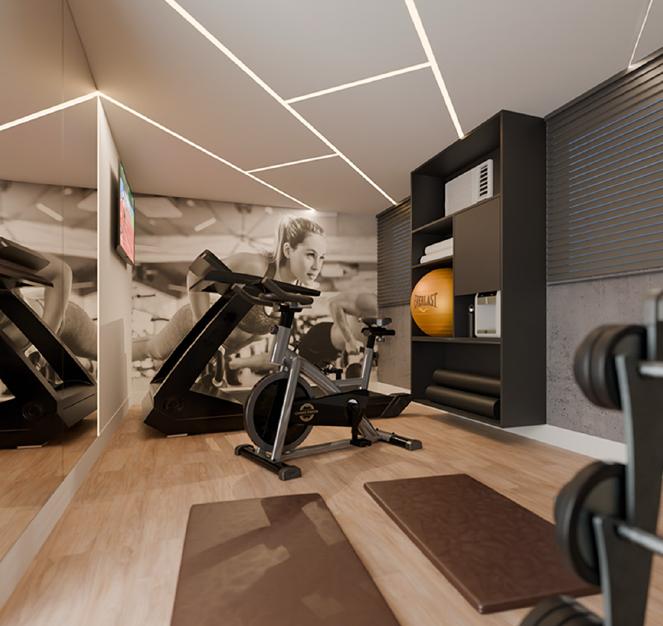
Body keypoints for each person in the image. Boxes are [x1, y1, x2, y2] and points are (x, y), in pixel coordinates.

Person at [132, 215, 327, 365]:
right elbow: (198, 271)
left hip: (219, 352)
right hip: (193, 327)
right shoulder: (256, 266)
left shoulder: (295, 293)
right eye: (310, 255)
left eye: (322, 258)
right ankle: (115, 352)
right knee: (154, 351)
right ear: (287, 250)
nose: (317, 266)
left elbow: (273, 351)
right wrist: (203, 331)